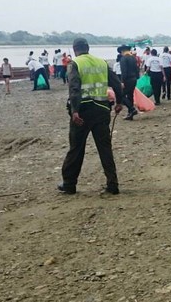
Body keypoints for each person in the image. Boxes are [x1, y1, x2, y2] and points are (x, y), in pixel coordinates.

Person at [58, 38, 124, 195]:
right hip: (101, 110)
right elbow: (116, 83)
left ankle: (69, 184)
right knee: (105, 148)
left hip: (83, 111)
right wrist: (119, 102)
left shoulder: (75, 63)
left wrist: (74, 111)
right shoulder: (101, 62)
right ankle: (112, 184)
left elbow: (74, 88)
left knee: (76, 148)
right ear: (88, 48)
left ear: (75, 49)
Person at [118, 45, 139, 120]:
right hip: (134, 79)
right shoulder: (133, 58)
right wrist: (137, 77)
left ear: (122, 51)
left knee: (121, 95)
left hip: (127, 79)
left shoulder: (123, 59)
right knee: (130, 96)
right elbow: (137, 69)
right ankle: (130, 114)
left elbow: (124, 71)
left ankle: (132, 109)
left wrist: (122, 81)